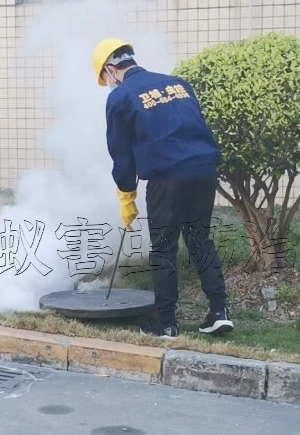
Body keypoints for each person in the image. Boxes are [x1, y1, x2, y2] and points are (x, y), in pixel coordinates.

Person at [92, 38, 233, 337]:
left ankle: (166, 323)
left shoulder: (119, 98)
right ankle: (219, 311)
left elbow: (121, 153)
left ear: (110, 69)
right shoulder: (178, 84)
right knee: (199, 240)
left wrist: (126, 195)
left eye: (105, 78)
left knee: (164, 248)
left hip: (168, 177)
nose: (107, 84)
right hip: (204, 170)